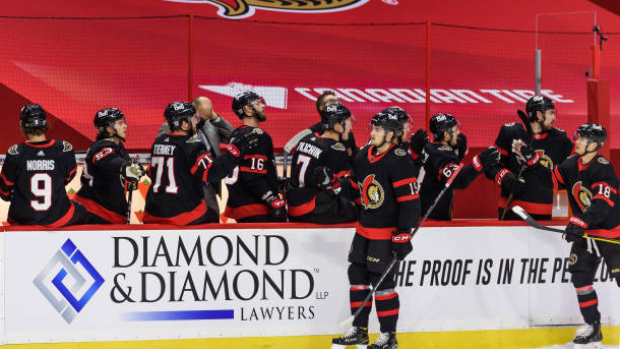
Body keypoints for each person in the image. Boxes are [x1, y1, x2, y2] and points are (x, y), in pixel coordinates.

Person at [332, 111, 420, 349]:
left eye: (379, 130)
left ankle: (388, 336)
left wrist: (403, 234)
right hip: (363, 230)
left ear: (391, 134)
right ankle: (359, 331)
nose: (373, 133)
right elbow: (357, 189)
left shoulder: (399, 160)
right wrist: (337, 186)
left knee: (382, 285)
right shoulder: (362, 156)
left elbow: (410, 202)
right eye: (373, 129)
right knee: (357, 278)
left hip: (385, 234)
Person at [541, 123, 619, 347]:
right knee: (580, 278)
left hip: (611, 234)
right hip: (585, 235)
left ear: (594, 145)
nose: (577, 141)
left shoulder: (603, 168)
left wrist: (579, 220)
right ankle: (593, 327)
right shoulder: (568, 164)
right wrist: (559, 215)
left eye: (583, 139)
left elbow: (602, 205)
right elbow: (556, 183)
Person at [143, 102, 257, 225]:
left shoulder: (159, 142)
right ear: (184, 124)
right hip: (181, 214)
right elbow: (214, 172)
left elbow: (150, 171)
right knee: (212, 215)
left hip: (152, 212)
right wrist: (236, 151)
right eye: (194, 119)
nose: (197, 122)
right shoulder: (191, 145)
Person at [487, 95, 573, 220]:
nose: (554, 118)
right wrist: (505, 177)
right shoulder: (510, 132)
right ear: (538, 115)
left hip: (549, 216)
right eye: (550, 113)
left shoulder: (561, 139)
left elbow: (564, 179)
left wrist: (561, 216)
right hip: (514, 210)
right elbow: (491, 166)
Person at [0, 104, 86, 226]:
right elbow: (68, 178)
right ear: (45, 123)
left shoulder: (15, 152)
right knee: (82, 210)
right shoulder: (64, 149)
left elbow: (4, 193)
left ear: (23, 126)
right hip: (59, 218)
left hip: (22, 220)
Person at [410, 113, 500, 220]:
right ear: (446, 134)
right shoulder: (442, 153)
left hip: (418, 213)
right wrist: (478, 163)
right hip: (431, 221)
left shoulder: (429, 148)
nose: (458, 133)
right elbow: (457, 180)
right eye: (455, 130)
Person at [157, 96, 233, 216]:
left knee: (212, 222)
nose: (200, 120)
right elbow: (163, 152)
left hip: (208, 187)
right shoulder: (169, 127)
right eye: (199, 117)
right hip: (184, 186)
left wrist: (214, 117)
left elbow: (232, 137)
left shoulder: (211, 125)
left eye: (204, 117)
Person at [287, 104, 358, 223]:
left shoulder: (306, 139)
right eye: (347, 122)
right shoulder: (336, 148)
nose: (350, 127)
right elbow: (347, 188)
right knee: (357, 209)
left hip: (293, 207)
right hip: (311, 208)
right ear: (337, 126)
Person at [223, 91, 286, 223]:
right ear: (248, 109)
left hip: (240, 206)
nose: (263, 106)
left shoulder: (235, 135)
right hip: (257, 208)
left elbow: (246, 168)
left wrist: (274, 181)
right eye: (257, 103)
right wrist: (272, 199)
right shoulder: (259, 135)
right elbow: (252, 175)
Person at [75, 108, 146, 224]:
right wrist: (125, 169)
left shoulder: (118, 146)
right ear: (108, 128)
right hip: (96, 214)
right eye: (120, 123)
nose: (125, 126)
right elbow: (109, 161)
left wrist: (130, 178)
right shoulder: (101, 146)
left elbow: (124, 165)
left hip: (110, 212)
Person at [284, 90, 357, 161]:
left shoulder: (348, 135)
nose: (336, 104)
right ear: (322, 108)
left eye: (338, 102)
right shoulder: (309, 135)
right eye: (332, 102)